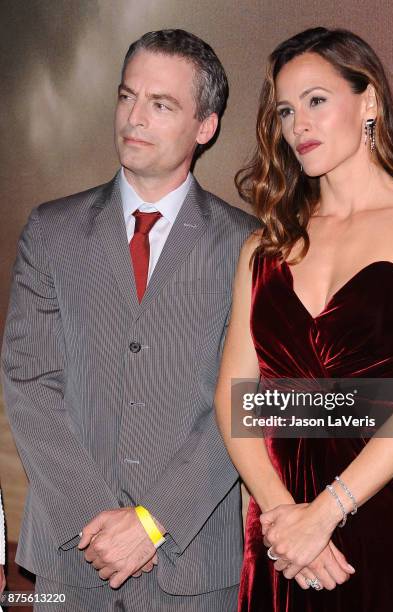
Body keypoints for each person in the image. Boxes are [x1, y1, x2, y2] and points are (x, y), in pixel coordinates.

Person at [214, 27, 393, 611]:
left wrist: (326, 513)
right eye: (286, 109)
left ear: (370, 102)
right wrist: (284, 518)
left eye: (316, 100)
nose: (298, 124)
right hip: (279, 529)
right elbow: (236, 399)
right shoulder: (265, 247)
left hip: (381, 515)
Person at [2, 29, 258, 611]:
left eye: (160, 104)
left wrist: (152, 520)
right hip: (71, 555)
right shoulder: (51, 229)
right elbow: (28, 382)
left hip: (192, 565)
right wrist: (98, 521)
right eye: (127, 97)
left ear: (205, 126)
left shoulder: (248, 245)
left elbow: (248, 401)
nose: (134, 118)